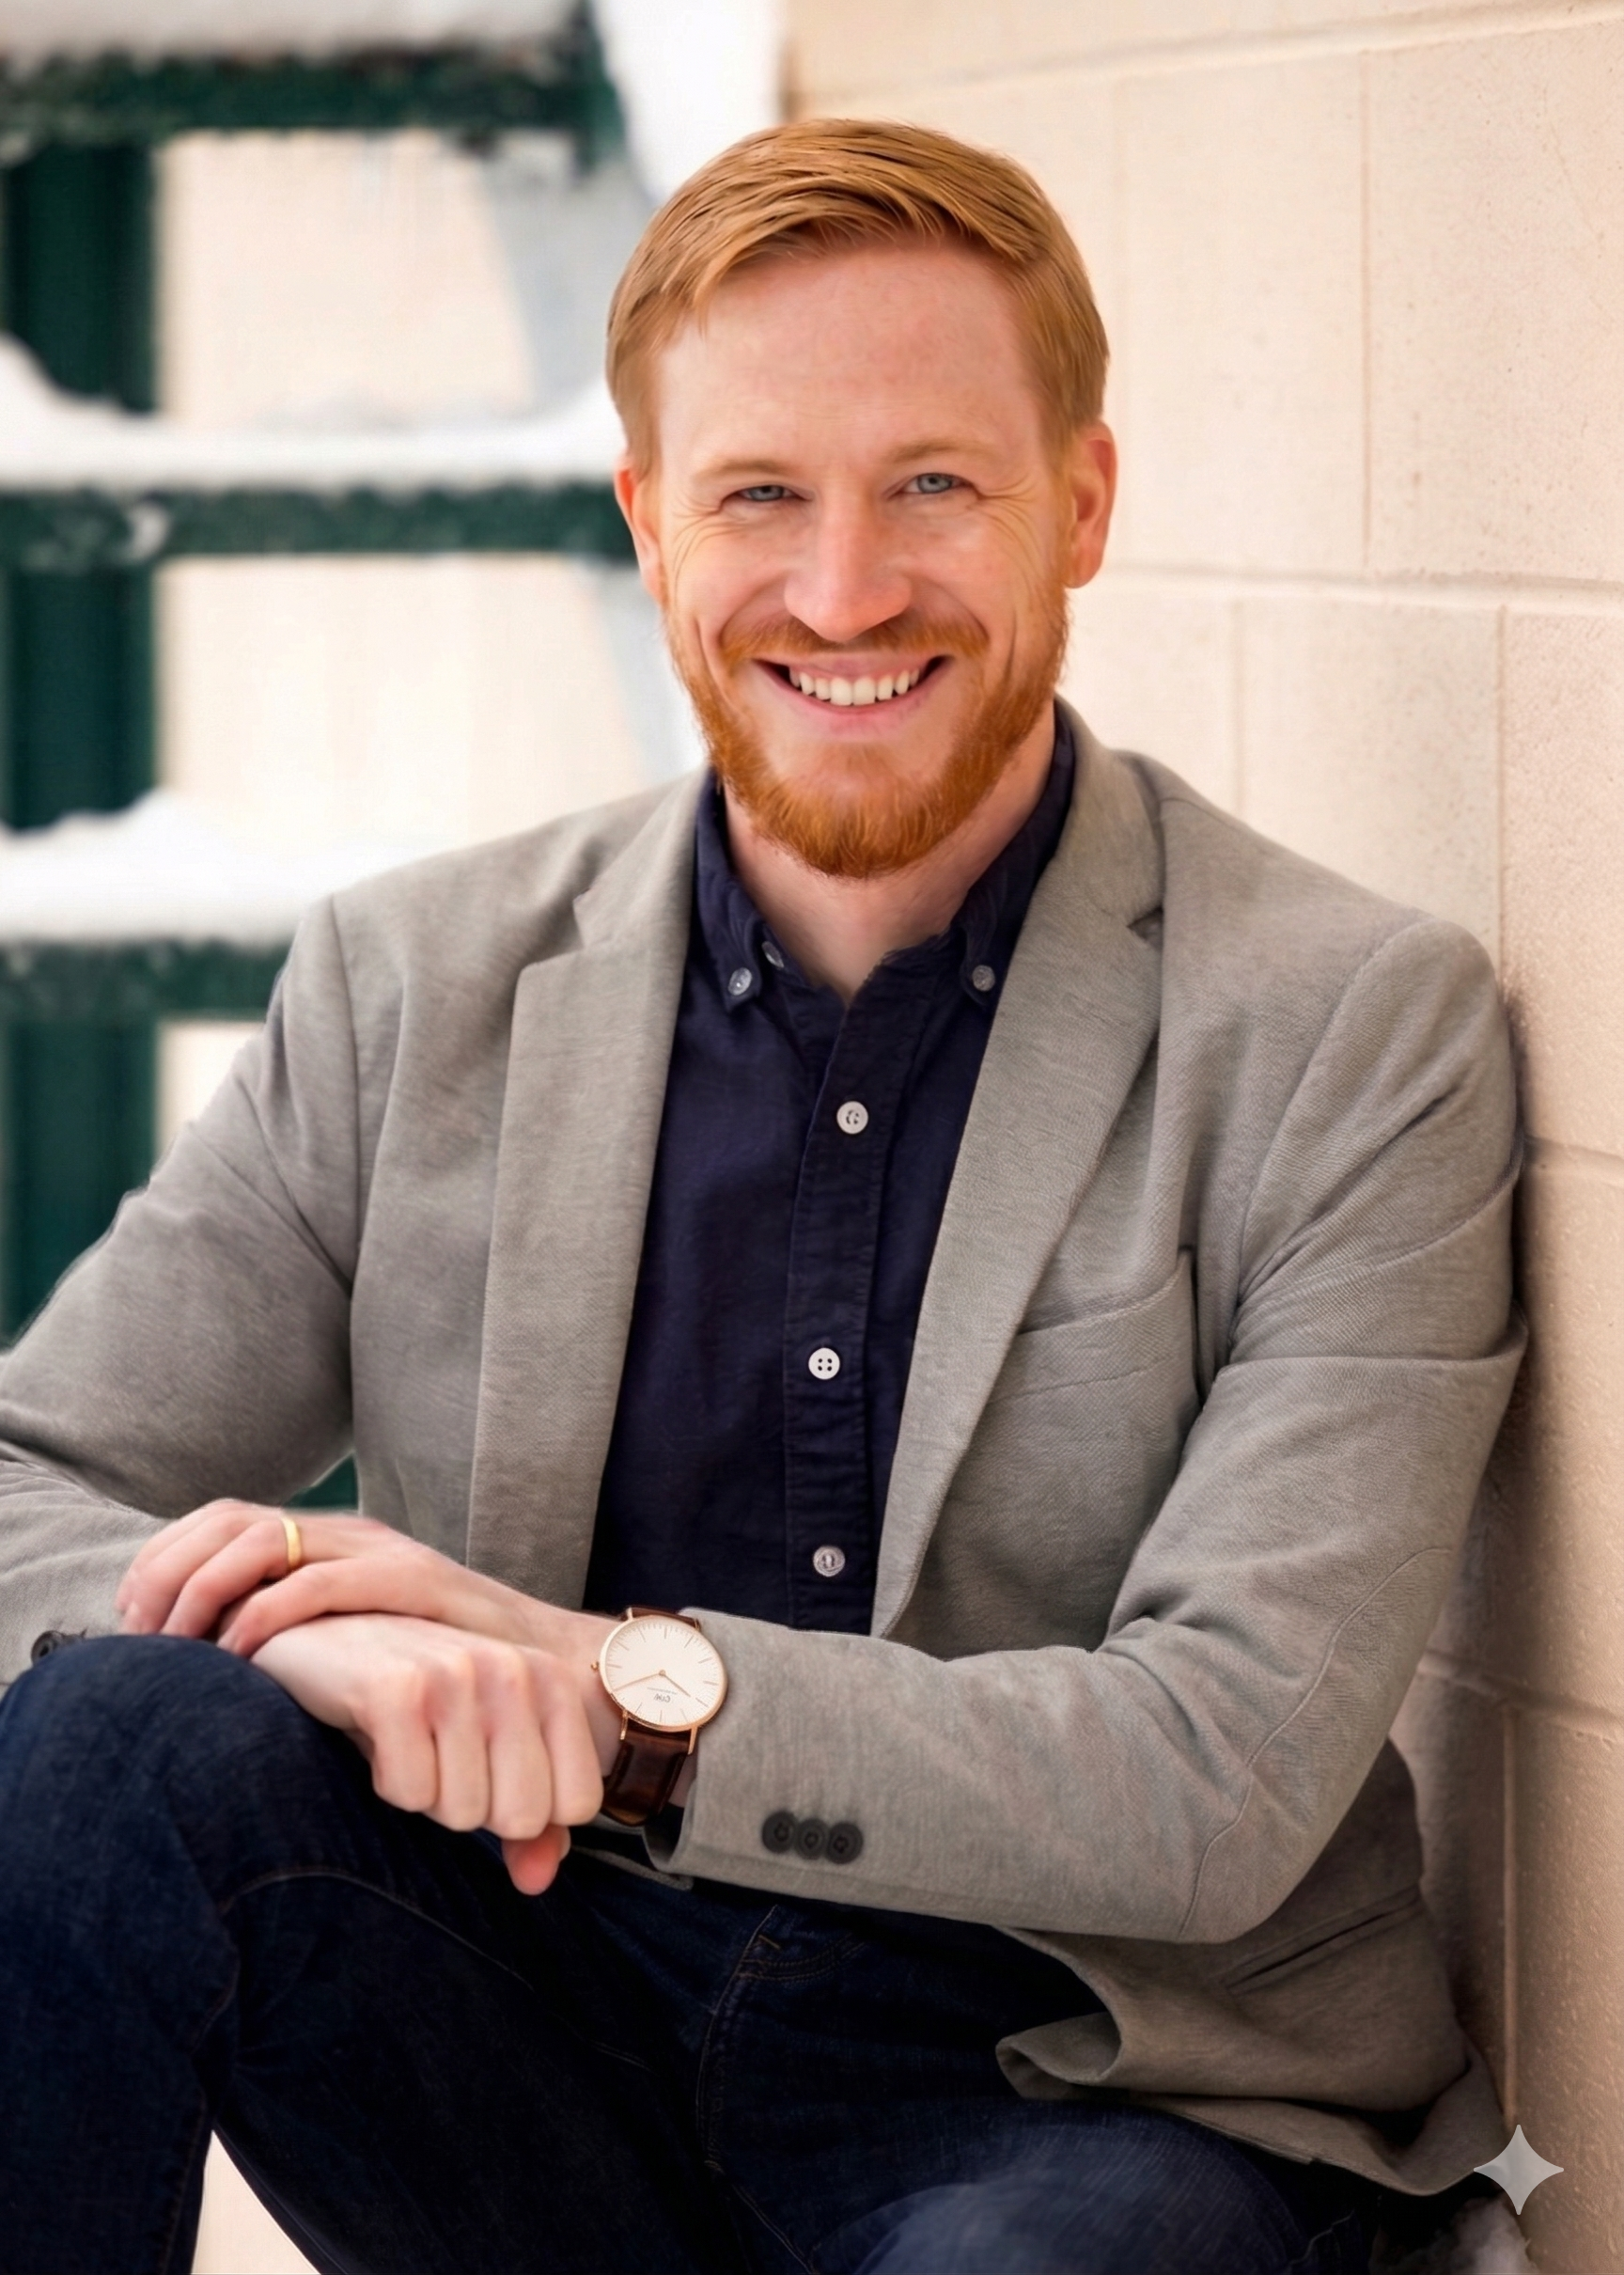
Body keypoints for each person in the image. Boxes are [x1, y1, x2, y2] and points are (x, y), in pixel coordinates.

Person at [0, 119, 1522, 2275]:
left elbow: (1226, 1762)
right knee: (110, 1741)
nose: (841, 592)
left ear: (1081, 503)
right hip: (531, 2043)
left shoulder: (1352, 1027)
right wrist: (312, 1648)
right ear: (646, 521)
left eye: (932, 485)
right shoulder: (412, 987)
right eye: (758, 497)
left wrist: (617, 1700)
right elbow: (24, 1481)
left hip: (1078, 2085)